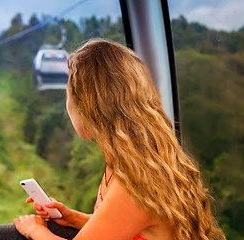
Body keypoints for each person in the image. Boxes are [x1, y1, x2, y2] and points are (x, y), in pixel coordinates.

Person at [14, 39, 226, 240]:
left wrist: (35, 231)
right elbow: (127, 227)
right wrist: (74, 218)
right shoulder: (135, 162)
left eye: (68, 93)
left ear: (90, 107)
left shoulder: (137, 181)